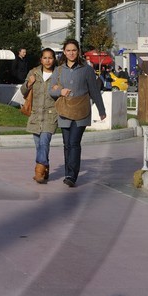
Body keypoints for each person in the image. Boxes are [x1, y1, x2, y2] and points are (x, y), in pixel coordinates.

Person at [49, 38, 106, 188]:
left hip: (81, 110)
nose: (71, 53)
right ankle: (69, 172)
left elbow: (94, 91)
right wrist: (60, 91)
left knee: (74, 143)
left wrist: (101, 110)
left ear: (78, 51)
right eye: (68, 50)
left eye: (74, 50)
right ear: (64, 52)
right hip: (64, 110)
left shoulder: (86, 69)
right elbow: (51, 90)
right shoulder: (59, 70)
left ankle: (72, 176)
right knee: (66, 144)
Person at [23, 47, 59, 184]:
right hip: (35, 116)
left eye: (50, 58)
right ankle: (46, 166)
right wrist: (29, 83)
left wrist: (59, 89)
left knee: (44, 142)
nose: (48, 60)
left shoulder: (58, 74)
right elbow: (23, 91)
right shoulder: (34, 73)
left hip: (51, 115)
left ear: (54, 59)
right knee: (39, 146)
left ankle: (38, 171)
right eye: (45, 58)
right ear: (41, 59)